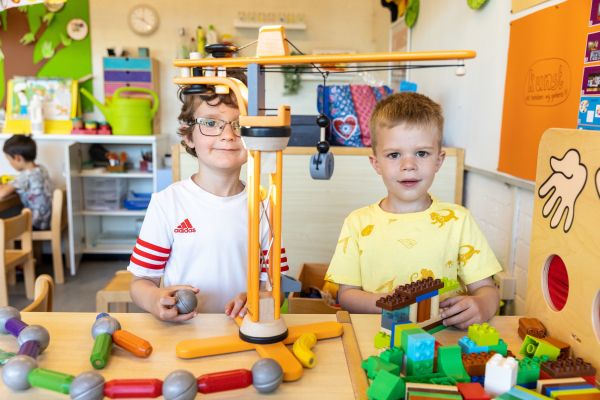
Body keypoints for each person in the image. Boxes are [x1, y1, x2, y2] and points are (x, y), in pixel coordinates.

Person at [325, 92, 502, 329]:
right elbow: (347, 296)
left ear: (439, 160)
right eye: (394, 155)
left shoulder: (458, 220)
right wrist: (396, 306)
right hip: (378, 336)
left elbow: (487, 290)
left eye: (421, 153)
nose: (409, 165)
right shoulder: (357, 223)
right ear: (376, 163)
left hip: (444, 336)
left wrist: (482, 305)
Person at [128, 72, 288, 322]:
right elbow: (141, 283)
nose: (228, 135)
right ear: (189, 137)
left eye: (239, 125)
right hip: (181, 335)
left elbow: (277, 288)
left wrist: (259, 297)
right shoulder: (167, 204)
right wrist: (155, 300)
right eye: (211, 123)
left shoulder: (265, 206)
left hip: (243, 332)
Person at [0, 134, 53, 230]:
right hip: (46, 220)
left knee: (3, 216)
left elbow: (2, 194)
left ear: (17, 158)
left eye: (9, 160)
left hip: (35, 223)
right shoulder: (41, 169)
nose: (10, 164)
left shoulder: (25, 176)